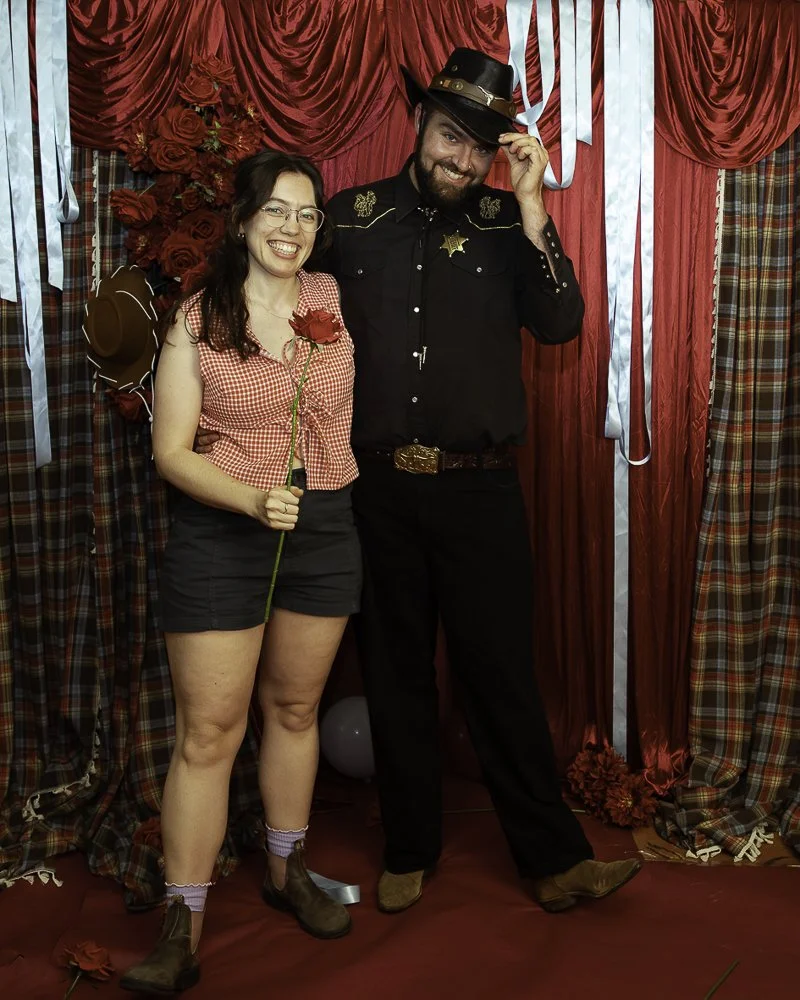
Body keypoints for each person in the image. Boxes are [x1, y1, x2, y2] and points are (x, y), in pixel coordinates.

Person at [320, 48, 642, 914]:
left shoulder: (509, 220)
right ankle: (410, 845)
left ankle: (554, 859)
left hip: (481, 491)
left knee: (501, 673)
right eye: (453, 138)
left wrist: (536, 203)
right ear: (421, 124)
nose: (464, 160)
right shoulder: (349, 218)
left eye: (482, 148)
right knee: (393, 673)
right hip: (378, 489)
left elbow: (564, 324)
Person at [121, 150, 360, 996]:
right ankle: (181, 926)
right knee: (209, 735)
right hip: (226, 531)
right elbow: (169, 454)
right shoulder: (198, 318)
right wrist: (253, 501)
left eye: (307, 215)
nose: (293, 230)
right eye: (277, 213)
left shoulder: (328, 297)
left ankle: (285, 869)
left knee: (295, 709)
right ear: (242, 221)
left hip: (324, 523)